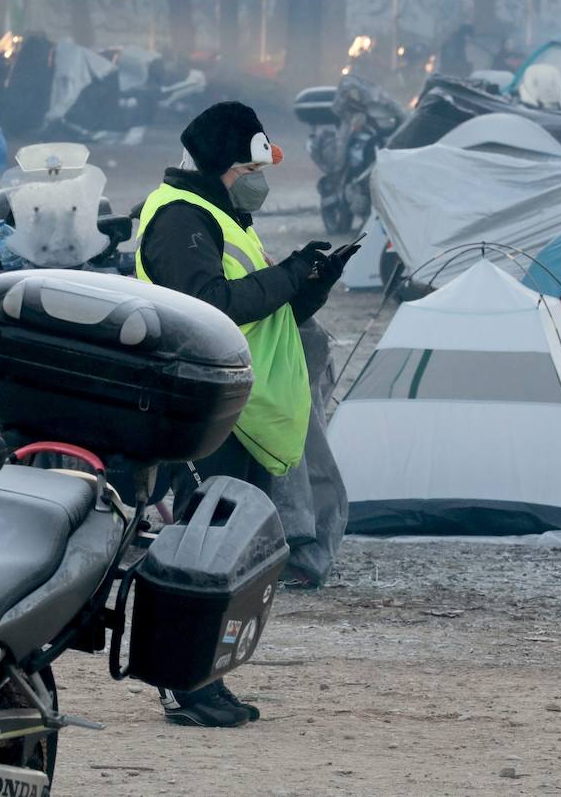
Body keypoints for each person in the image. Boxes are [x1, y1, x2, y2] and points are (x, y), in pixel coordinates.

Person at [135, 101, 359, 727]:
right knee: (199, 550)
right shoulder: (180, 216)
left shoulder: (219, 216)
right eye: (249, 168)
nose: (258, 181)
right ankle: (183, 682)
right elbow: (208, 305)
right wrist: (288, 275)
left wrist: (311, 280)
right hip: (210, 411)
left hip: (245, 412)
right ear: (228, 165)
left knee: (230, 557)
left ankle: (205, 674)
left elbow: (268, 312)